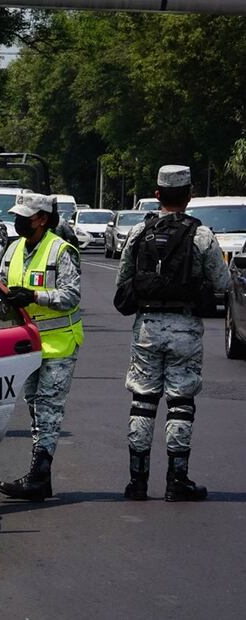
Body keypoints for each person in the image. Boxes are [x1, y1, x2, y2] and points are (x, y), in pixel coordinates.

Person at [115, 165, 230, 502]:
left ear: (157, 195)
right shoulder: (203, 235)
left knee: (142, 402)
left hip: (147, 327)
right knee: (180, 404)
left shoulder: (139, 232)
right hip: (186, 330)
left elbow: (122, 280)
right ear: (189, 195)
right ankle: (177, 481)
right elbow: (222, 283)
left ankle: (137, 482)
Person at [0, 192, 83, 501]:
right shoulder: (13, 249)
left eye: (25, 216)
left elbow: (71, 296)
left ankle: (38, 476)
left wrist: (34, 297)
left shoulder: (61, 251)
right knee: (35, 409)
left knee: (48, 410)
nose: (18, 220)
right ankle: (40, 477)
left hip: (59, 346)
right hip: (28, 346)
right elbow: (1, 289)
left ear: (43, 218)